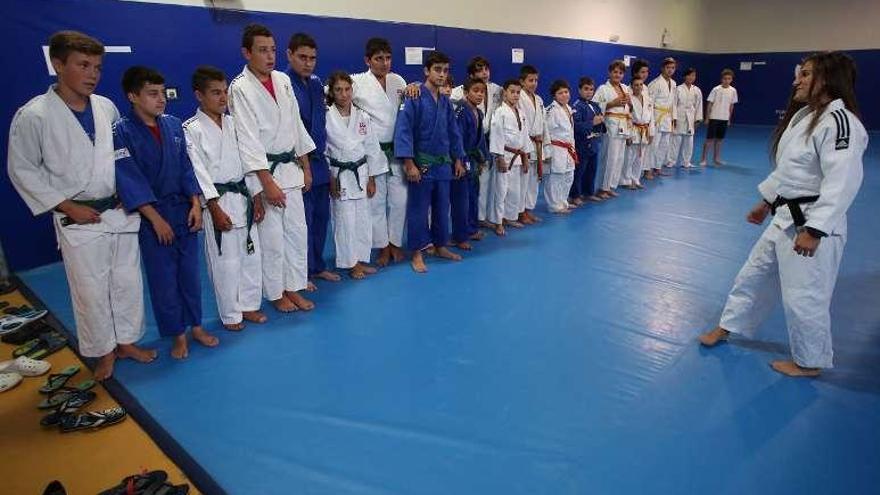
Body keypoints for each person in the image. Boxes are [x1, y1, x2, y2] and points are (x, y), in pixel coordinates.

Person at [699, 52, 867, 377]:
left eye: (805, 75)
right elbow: (791, 171)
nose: (796, 81)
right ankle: (727, 325)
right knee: (753, 274)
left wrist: (815, 230)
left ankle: (809, 361)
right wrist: (766, 202)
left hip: (811, 222)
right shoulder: (805, 116)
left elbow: (842, 182)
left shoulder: (840, 123)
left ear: (828, 79)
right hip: (785, 216)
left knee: (806, 294)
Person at [7, 31, 152, 380]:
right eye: (83, 65)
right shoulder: (34, 115)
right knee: (90, 288)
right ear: (58, 65)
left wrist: (127, 190)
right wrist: (67, 206)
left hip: (117, 211)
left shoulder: (106, 106)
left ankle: (128, 341)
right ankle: (102, 350)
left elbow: (121, 155)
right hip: (78, 217)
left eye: (98, 67)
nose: (92, 74)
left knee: (127, 282)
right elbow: (22, 168)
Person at [114, 66, 214, 360]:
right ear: (132, 96)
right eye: (152, 94)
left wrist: (196, 203)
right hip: (152, 216)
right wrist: (155, 219)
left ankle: (196, 326)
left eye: (162, 93)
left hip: (183, 209)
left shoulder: (172, 125)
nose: (161, 100)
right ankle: (177, 334)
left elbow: (186, 166)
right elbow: (128, 177)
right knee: (164, 280)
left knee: (190, 276)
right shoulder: (122, 132)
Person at [228, 24, 316, 313]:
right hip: (266, 173)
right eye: (262, 50)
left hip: (290, 169)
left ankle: (294, 286)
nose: (270, 56)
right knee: (273, 239)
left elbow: (296, 125)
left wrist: (306, 166)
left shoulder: (282, 80)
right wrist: (266, 183)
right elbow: (247, 139)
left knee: (297, 232)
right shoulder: (240, 88)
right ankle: (277, 293)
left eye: (273, 50)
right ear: (247, 52)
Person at [184, 66, 267, 332]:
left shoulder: (235, 124)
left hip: (242, 196)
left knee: (251, 255)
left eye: (225, 92)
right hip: (218, 201)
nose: (223, 98)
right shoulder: (191, 129)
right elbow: (197, 170)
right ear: (199, 95)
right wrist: (214, 206)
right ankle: (231, 314)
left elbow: (249, 159)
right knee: (225, 262)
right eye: (215, 93)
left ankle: (250, 305)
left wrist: (256, 195)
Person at [393, 51, 466, 273]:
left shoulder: (445, 101)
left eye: (445, 70)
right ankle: (417, 252)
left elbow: (453, 133)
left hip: (443, 164)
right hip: (422, 164)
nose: (442, 75)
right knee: (418, 209)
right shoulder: (413, 97)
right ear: (427, 70)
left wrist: (459, 159)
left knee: (442, 208)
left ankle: (440, 245)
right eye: (437, 70)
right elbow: (403, 132)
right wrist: (409, 164)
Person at [287, 33, 340, 285]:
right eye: (302, 57)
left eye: (312, 58)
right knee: (302, 223)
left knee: (320, 219)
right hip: (298, 163)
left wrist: (327, 167)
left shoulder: (317, 84)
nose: (308, 63)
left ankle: (317, 266)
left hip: (319, 161)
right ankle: (302, 273)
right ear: (289, 55)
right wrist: (304, 165)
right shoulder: (283, 83)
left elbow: (322, 125)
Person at [351, 38, 408, 267]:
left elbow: (408, 105)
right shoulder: (356, 82)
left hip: (397, 151)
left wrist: (413, 87)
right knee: (375, 203)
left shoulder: (398, 81)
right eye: (379, 58)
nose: (385, 63)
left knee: (400, 201)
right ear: (368, 60)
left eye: (388, 58)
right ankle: (382, 246)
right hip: (372, 153)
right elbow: (334, 92)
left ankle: (395, 242)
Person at [325, 71, 384, 279]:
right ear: (332, 92)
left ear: (352, 90)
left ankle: (360, 259)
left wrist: (372, 178)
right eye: (338, 90)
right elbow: (324, 151)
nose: (343, 94)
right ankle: (350, 263)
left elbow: (372, 148)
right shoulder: (326, 116)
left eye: (347, 89)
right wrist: (330, 179)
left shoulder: (362, 116)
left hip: (361, 172)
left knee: (362, 220)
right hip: (340, 175)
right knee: (344, 221)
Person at [451, 57, 503, 228]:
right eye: (480, 70)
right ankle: (464, 227)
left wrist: (483, 156)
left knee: (482, 185)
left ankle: (479, 219)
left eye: (486, 69)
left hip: (484, 141)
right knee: (464, 191)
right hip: (465, 147)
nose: (485, 73)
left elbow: (515, 91)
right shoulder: (459, 94)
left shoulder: (496, 89)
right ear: (471, 75)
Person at [489, 79, 533, 236]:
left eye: (518, 92)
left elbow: (524, 135)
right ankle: (498, 222)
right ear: (505, 93)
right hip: (505, 156)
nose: (515, 95)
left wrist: (526, 156)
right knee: (501, 191)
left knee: (515, 190)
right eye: (512, 92)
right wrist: (499, 156)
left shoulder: (520, 113)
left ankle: (509, 217)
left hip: (518, 156)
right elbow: (496, 135)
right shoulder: (500, 112)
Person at [452, 77, 489, 249]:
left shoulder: (479, 113)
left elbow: (481, 140)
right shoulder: (460, 110)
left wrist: (482, 159)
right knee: (462, 199)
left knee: (474, 196)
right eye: (476, 90)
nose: (480, 94)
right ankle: (460, 236)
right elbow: (457, 137)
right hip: (462, 159)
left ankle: (472, 229)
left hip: (473, 160)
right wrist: (459, 160)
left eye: (482, 91)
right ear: (466, 92)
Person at [592, 60, 632, 199]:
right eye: (615, 72)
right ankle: (602, 188)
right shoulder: (603, 88)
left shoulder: (626, 88)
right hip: (610, 125)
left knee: (619, 158)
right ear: (610, 72)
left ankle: (610, 186)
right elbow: (595, 107)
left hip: (623, 125)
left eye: (621, 73)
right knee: (609, 157)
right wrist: (611, 103)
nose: (618, 75)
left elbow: (628, 109)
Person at [517, 65, 546, 225]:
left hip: (538, 143)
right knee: (524, 180)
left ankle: (529, 209)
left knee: (534, 180)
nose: (534, 83)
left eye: (536, 80)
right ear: (522, 81)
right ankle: (520, 212)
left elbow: (543, 123)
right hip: (526, 142)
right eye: (530, 80)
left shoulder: (539, 99)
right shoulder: (518, 96)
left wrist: (544, 146)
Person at [544, 79, 578, 213]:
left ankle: (563, 201)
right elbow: (546, 132)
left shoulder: (568, 108)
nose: (564, 95)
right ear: (554, 96)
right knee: (555, 177)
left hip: (568, 148)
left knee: (568, 176)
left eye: (566, 92)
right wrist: (547, 152)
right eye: (560, 93)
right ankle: (554, 205)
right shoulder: (551, 110)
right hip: (556, 148)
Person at [570, 77, 604, 204]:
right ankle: (575, 195)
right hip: (582, 143)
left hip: (594, 142)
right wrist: (592, 122)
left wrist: (601, 121)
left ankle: (588, 192)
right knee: (579, 171)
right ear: (579, 90)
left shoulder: (594, 105)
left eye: (591, 89)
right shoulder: (577, 106)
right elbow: (576, 126)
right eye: (586, 89)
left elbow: (600, 119)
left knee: (592, 169)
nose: (589, 92)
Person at [699, 69, 738, 166]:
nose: (726, 80)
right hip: (714, 118)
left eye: (729, 79)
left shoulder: (733, 91)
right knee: (709, 139)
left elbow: (731, 106)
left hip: (724, 119)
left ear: (731, 80)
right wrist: (707, 118)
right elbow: (710, 104)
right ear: (721, 79)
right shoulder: (715, 89)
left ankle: (716, 159)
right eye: (725, 78)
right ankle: (703, 159)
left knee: (720, 140)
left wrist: (729, 119)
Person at [646, 57, 677, 174]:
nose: (670, 70)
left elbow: (673, 102)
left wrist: (674, 118)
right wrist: (651, 121)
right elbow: (650, 104)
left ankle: (657, 167)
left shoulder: (673, 83)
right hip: (656, 117)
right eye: (668, 67)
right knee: (653, 145)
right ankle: (648, 169)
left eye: (673, 68)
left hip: (667, 117)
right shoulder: (655, 83)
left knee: (665, 145)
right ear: (662, 68)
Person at [623, 75, 653, 189]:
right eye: (636, 85)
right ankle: (627, 180)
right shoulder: (629, 99)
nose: (639, 87)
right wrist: (628, 135)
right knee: (630, 157)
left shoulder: (648, 98)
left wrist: (651, 133)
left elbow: (651, 118)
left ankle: (636, 179)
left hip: (644, 130)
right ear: (631, 86)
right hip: (634, 129)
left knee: (640, 157)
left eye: (641, 84)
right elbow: (627, 117)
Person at [672, 68, 703, 168]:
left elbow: (699, 105)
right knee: (676, 140)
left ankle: (686, 162)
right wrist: (674, 118)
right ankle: (671, 161)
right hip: (679, 115)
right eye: (689, 75)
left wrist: (698, 119)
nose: (691, 77)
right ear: (685, 76)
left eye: (693, 75)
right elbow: (674, 105)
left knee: (689, 141)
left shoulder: (697, 90)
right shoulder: (678, 89)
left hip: (691, 116)